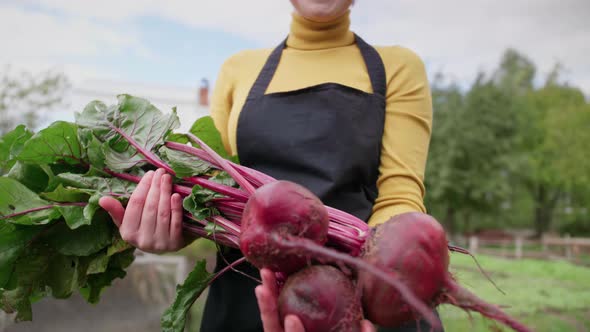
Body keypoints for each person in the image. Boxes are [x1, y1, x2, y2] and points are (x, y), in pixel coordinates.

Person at [99, 0, 440, 331]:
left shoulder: (397, 65)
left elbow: (400, 194)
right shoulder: (238, 69)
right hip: (244, 296)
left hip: (355, 300)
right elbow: (210, 189)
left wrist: (376, 281)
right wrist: (171, 224)